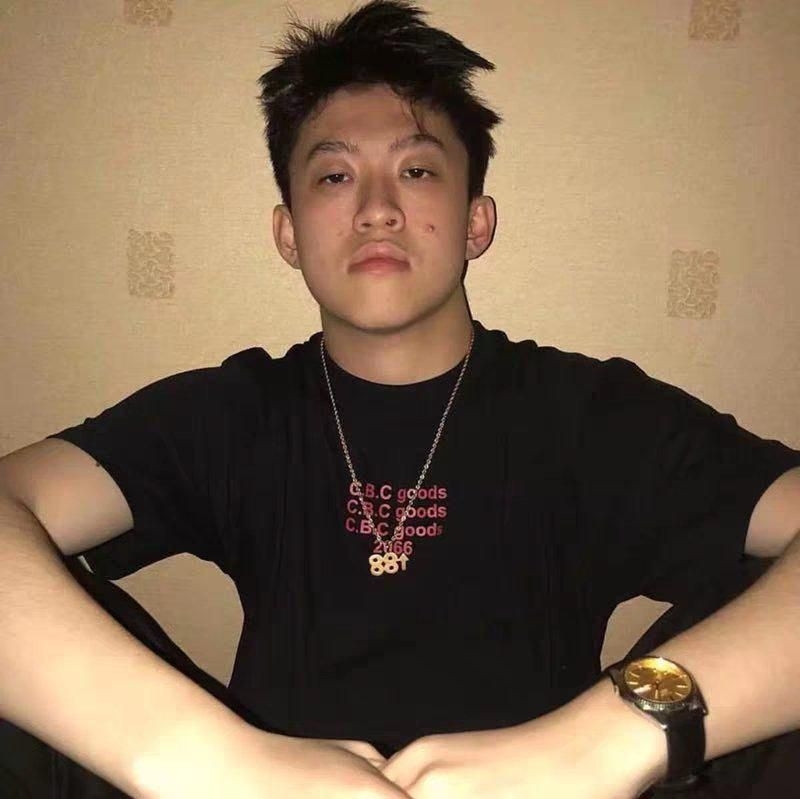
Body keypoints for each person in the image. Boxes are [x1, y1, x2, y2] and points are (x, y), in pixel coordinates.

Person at [1, 1, 799, 797]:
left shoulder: (591, 415)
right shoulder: (235, 413)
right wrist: (196, 758)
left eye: (416, 171)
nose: (377, 207)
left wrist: (605, 742)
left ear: (475, 222)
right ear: (288, 233)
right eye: (335, 175)